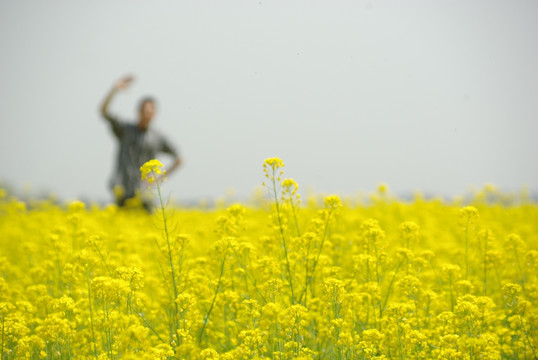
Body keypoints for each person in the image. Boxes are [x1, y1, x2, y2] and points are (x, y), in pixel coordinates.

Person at [100, 75, 182, 211]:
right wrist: (114, 89)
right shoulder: (125, 129)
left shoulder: (158, 137)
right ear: (138, 111)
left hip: (145, 194)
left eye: (151, 111)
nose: (148, 114)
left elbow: (179, 159)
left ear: (155, 114)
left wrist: (159, 178)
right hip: (123, 191)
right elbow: (104, 112)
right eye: (145, 110)